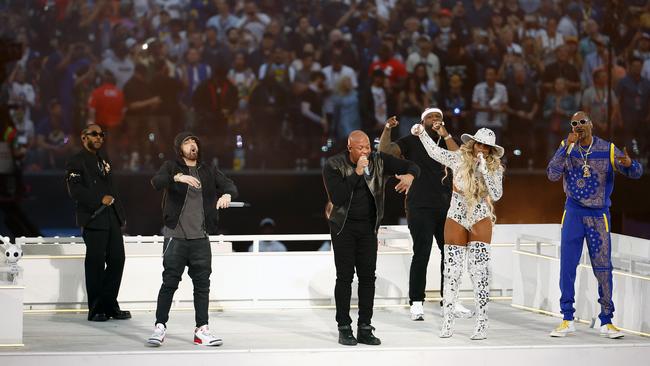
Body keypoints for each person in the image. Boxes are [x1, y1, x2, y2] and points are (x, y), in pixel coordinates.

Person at [547, 111, 643, 339]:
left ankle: (606, 321)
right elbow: (552, 174)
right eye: (574, 123)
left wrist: (631, 164)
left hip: (598, 216)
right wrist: (565, 148)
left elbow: (636, 172)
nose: (578, 126)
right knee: (567, 267)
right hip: (572, 213)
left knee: (603, 267)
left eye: (582, 122)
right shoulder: (566, 146)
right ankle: (567, 318)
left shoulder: (607, 149)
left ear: (591, 124)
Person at [322, 130, 420, 346]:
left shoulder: (379, 160)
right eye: (361, 148)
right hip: (343, 228)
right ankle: (344, 327)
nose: (366, 150)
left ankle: (365, 326)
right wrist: (357, 172)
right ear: (350, 148)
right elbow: (337, 197)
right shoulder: (333, 164)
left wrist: (410, 176)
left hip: (368, 228)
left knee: (368, 278)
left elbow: (412, 166)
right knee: (345, 277)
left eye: (367, 146)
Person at [378, 108, 473, 321]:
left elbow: (458, 158)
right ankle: (417, 303)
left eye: (438, 117)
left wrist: (445, 134)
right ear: (422, 122)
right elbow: (385, 151)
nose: (435, 120)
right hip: (419, 206)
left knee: (450, 255)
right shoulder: (412, 140)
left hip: (447, 207)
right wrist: (387, 129)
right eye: (431, 117)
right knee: (422, 254)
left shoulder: (449, 140)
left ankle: (449, 300)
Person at [411, 124, 504, 340]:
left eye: (486, 146)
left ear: (491, 150)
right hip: (456, 215)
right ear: (473, 143)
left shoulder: (494, 168)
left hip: (480, 215)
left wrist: (484, 172)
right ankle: (448, 320)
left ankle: (482, 322)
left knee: (478, 271)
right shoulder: (458, 159)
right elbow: (436, 152)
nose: (481, 148)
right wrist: (423, 133)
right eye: (479, 143)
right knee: (451, 271)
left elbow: (497, 195)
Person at [147, 131, 238, 347]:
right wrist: (178, 177)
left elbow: (230, 185)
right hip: (175, 237)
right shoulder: (171, 167)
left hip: (200, 238)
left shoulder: (208, 170)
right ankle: (160, 326)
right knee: (169, 283)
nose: (192, 145)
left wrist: (227, 195)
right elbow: (156, 182)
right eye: (187, 143)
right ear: (180, 148)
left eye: (195, 141)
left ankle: (202, 330)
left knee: (202, 285)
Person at [64, 124, 130, 322]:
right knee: (95, 264)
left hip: (112, 217)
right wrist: (99, 199)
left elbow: (113, 189)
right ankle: (96, 309)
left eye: (102, 134)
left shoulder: (104, 158)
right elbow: (74, 191)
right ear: (84, 137)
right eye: (94, 134)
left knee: (117, 260)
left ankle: (110, 304)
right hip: (93, 217)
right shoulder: (76, 161)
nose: (99, 137)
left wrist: (120, 215)